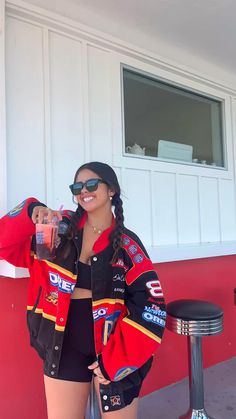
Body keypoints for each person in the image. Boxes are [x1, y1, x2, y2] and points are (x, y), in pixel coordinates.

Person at [0, 161, 166, 419]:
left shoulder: (128, 244)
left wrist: (118, 359)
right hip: (62, 345)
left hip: (113, 346)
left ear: (111, 190)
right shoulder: (57, 230)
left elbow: (151, 305)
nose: (83, 191)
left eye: (91, 184)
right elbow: (5, 244)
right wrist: (31, 209)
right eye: (77, 186)